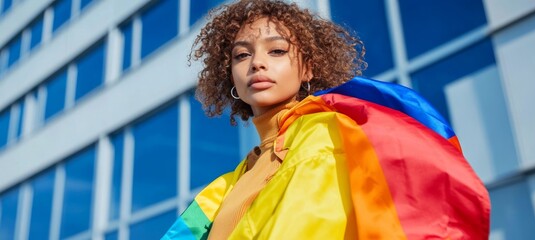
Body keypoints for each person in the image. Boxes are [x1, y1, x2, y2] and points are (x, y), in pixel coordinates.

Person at [162, 0, 490, 239]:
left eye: (276, 51)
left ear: (307, 69)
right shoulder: (230, 182)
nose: (257, 63)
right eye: (242, 54)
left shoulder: (325, 135)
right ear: (229, 76)